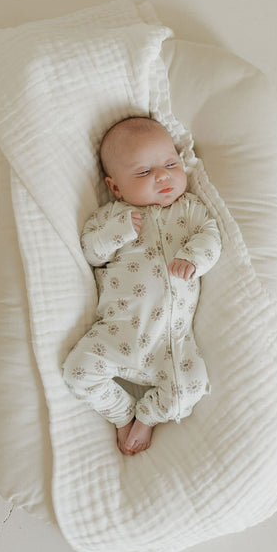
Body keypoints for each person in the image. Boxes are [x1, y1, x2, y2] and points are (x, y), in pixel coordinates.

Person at [63, 117, 221, 455]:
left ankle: (146, 417)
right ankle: (122, 414)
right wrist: (118, 232)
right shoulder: (112, 216)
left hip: (172, 342)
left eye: (170, 164)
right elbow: (90, 250)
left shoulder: (190, 210)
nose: (162, 176)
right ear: (116, 187)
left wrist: (194, 258)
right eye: (143, 173)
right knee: (78, 372)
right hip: (117, 332)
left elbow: (212, 237)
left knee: (189, 390)